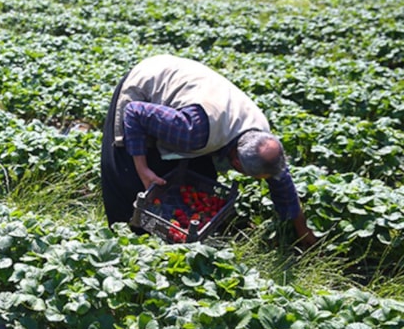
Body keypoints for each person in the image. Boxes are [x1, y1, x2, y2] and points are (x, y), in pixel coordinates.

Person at [101, 54, 316, 247]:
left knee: (196, 175)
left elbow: (281, 181)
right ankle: (126, 245)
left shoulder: (262, 141)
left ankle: (178, 240)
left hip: (192, 98)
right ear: (237, 164)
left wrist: (302, 230)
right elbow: (134, 112)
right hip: (146, 85)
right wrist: (142, 169)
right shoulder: (192, 130)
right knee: (130, 181)